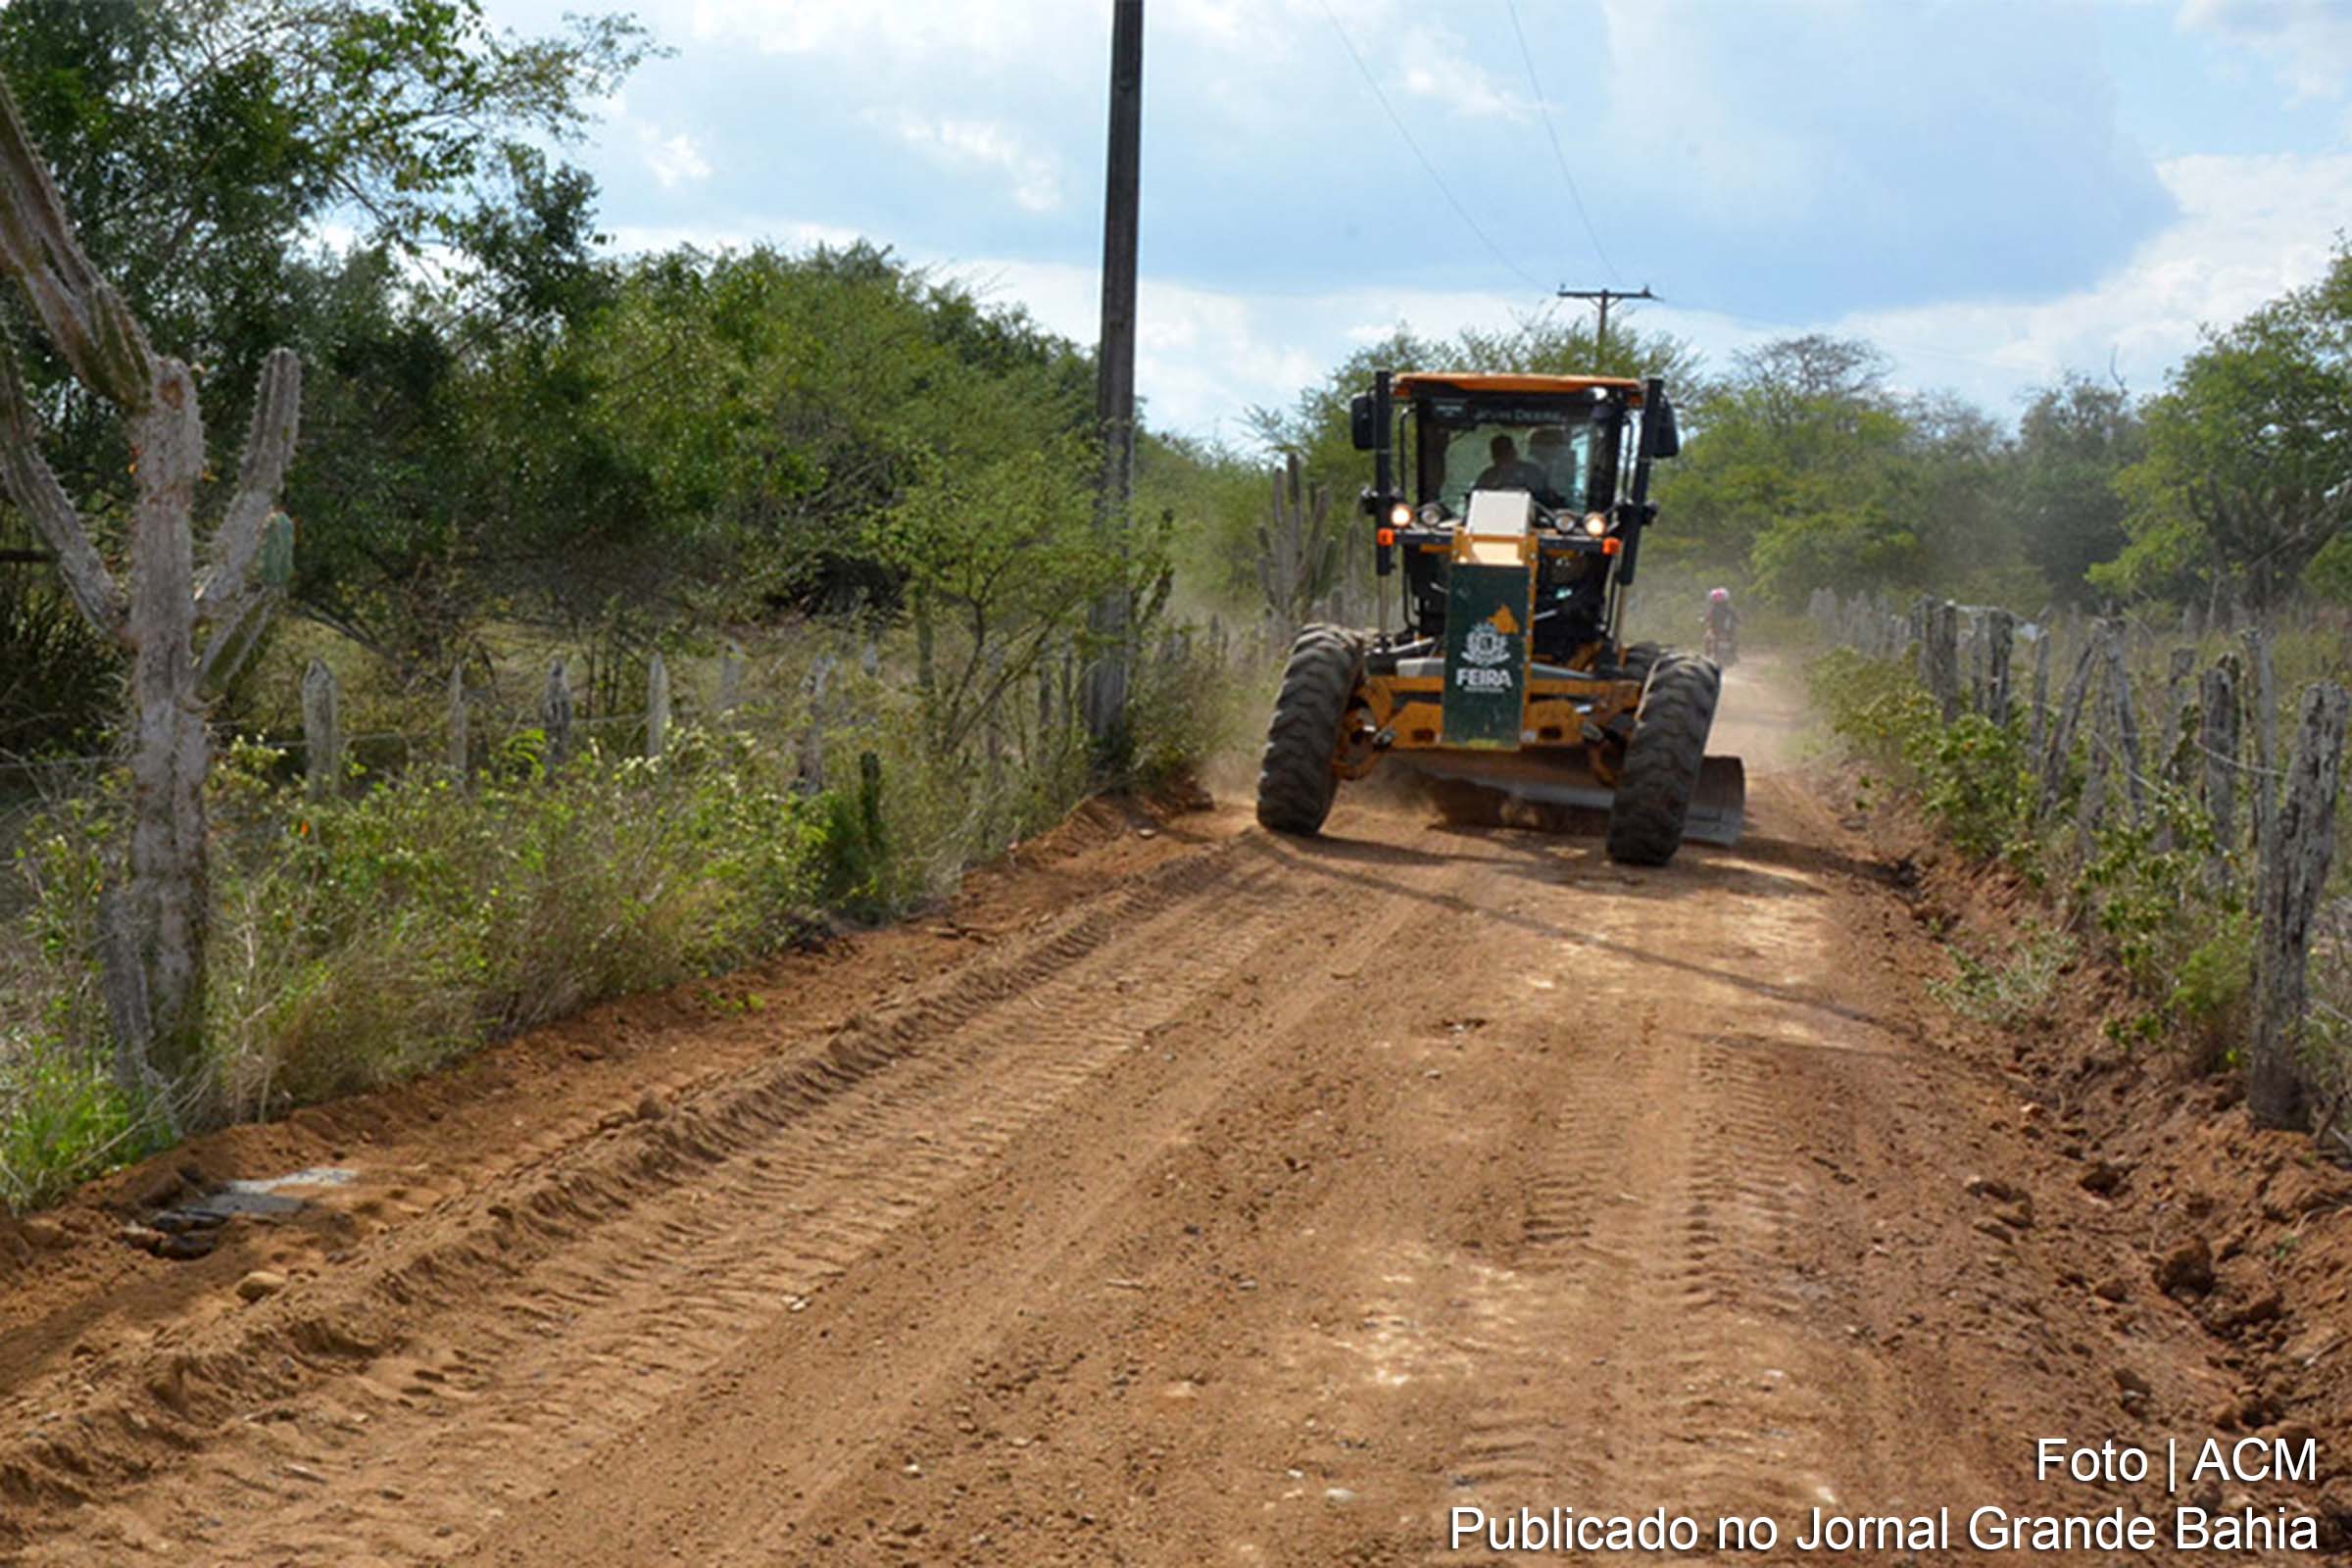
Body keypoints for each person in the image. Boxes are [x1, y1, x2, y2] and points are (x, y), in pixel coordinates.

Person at [1473, 433, 1549, 495]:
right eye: (1499, 453)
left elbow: (1543, 497)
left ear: (1514, 452)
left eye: (1506, 452)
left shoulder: (1532, 472)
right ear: (1493, 456)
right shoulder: (1487, 477)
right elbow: (1476, 498)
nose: (1503, 456)